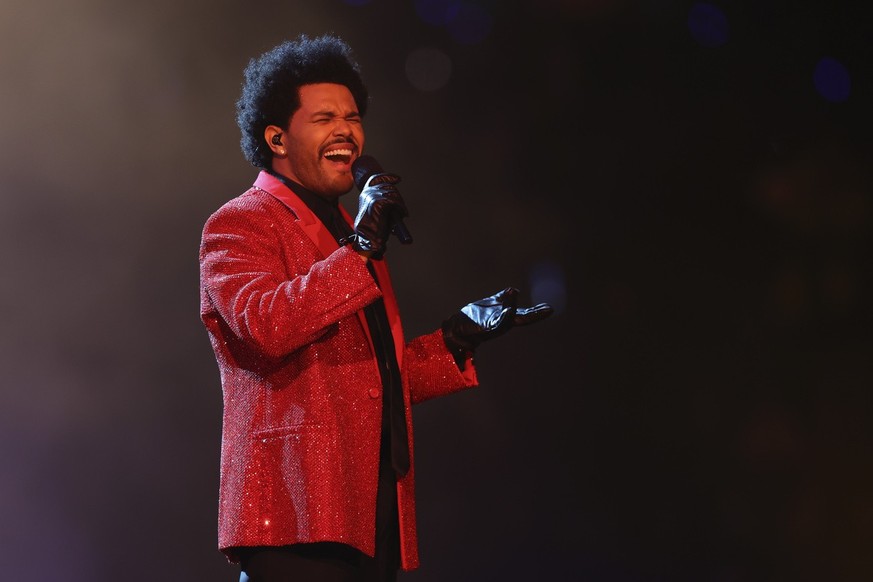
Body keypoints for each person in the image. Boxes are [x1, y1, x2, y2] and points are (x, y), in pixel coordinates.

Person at [199, 34, 552, 582]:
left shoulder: (350, 236)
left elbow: (364, 385)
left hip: (371, 511)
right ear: (277, 137)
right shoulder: (240, 223)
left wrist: (454, 340)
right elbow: (268, 325)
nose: (346, 130)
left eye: (353, 116)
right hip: (296, 515)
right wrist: (360, 247)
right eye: (323, 118)